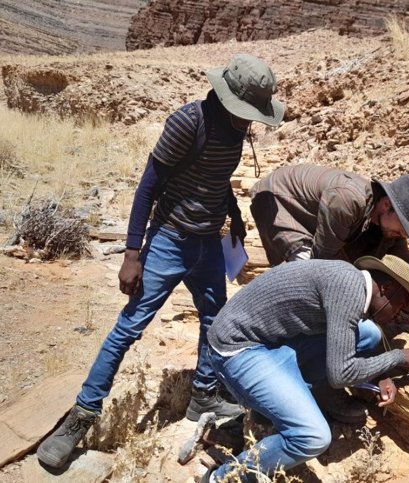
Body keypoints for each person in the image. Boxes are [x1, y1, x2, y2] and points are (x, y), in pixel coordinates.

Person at [37, 53, 285, 469]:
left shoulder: (236, 130)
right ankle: (81, 416)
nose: (250, 121)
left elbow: (216, 178)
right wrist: (133, 253)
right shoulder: (188, 122)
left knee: (216, 322)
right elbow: (148, 185)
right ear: (227, 99)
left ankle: (204, 394)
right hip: (169, 240)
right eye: (246, 112)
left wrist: (235, 215)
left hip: (208, 244)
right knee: (128, 328)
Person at [201, 255, 409, 483]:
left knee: (369, 334)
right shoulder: (348, 291)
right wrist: (398, 357)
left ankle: (295, 399)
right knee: (313, 437)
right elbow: (341, 374)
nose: (399, 314)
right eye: (401, 305)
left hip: (273, 341)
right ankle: (222, 477)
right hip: (236, 349)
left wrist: (380, 372)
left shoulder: (350, 279)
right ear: (386, 289)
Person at [250, 164, 409, 351]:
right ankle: (279, 341)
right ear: (385, 205)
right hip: (278, 201)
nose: (403, 235)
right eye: (404, 228)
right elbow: (321, 266)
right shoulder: (347, 200)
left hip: (320, 214)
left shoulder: (390, 226)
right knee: (306, 276)